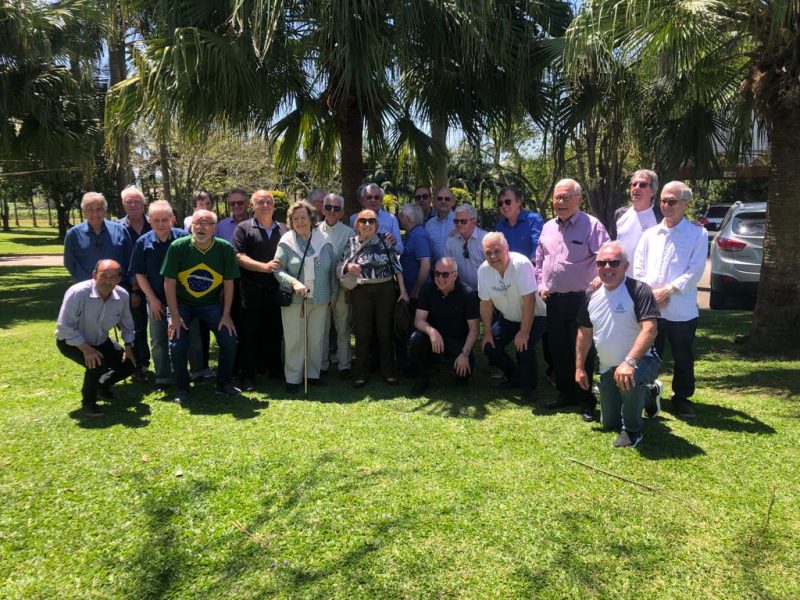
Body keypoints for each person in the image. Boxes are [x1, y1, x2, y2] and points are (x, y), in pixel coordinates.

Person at [535, 178, 610, 421]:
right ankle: (565, 394)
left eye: (566, 197)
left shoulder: (592, 225)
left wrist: (600, 280)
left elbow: (606, 256)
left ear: (578, 199)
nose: (561, 202)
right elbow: (540, 261)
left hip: (581, 299)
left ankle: (586, 400)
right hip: (554, 300)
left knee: (583, 351)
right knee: (558, 349)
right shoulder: (548, 227)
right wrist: (541, 285)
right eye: (557, 197)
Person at [576, 242, 661, 447]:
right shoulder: (590, 295)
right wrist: (579, 368)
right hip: (608, 367)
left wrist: (630, 362)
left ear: (625, 265)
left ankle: (633, 431)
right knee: (609, 423)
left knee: (628, 379)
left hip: (642, 361)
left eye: (614, 262)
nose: (607, 267)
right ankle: (650, 395)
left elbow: (650, 330)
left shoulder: (638, 290)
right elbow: (584, 333)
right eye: (601, 263)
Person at [634, 181, 708, 419]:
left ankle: (682, 398)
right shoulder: (649, 235)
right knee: (649, 355)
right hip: (652, 309)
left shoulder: (697, 234)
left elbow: (695, 270)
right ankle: (649, 395)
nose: (666, 205)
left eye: (672, 201)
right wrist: (651, 295)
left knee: (682, 356)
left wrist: (669, 290)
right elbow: (639, 268)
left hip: (681, 310)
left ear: (686, 203)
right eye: (663, 201)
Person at [161, 209, 241, 402]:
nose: (201, 227)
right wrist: (174, 315)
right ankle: (181, 388)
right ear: (191, 226)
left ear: (214, 228)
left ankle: (223, 384)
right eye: (197, 223)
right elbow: (169, 282)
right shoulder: (178, 247)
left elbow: (229, 283)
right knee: (177, 342)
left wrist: (226, 314)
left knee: (229, 339)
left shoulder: (224, 248)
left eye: (207, 223)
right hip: (182, 304)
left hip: (211, 304)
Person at [130, 201, 204, 392]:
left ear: (172, 219)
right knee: (158, 340)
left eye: (165, 219)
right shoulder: (143, 242)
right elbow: (139, 273)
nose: (161, 224)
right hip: (156, 299)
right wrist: (152, 300)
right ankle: (163, 377)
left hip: (185, 300)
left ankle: (197, 372)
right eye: (156, 220)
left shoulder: (185, 238)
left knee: (192, 336)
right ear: (150, 221)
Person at [56, 259, 137, 416]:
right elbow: (64, 326)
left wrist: (128, 347)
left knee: (129, 364)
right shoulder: (77, 293)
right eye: (103, 275)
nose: (108, 280)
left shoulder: (122, 295)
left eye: (113, 277)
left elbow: (127, 323)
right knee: (96, 363)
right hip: (71, 341)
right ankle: (88, 402)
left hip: (100, 340)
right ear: (94, 275)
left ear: (119, 279)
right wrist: (86, 349)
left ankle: (101, 386)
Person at [340, 209, 409, 388]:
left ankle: (388, 371)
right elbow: (341, 264)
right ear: (357, 224)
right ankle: (361, 373)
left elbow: (397, 267)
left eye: (371, 221)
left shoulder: (385, 241)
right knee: (362, 333)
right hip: (361, 290)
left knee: (385, 332)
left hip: (385, 290)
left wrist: (403, 291)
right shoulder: (351, 243)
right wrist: (349, 266)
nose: (367, 224)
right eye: (363, 220)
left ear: (376, 224)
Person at [274, 201, 337, 393]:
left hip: (320, 299)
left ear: (311, 219)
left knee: (316, 338)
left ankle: (312, 374)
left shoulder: (324, 240)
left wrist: (333, 294)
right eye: (295, 219)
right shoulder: (286, 241)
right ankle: (293, 378)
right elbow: (277, 270)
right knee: (294, 339)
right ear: (291, 222)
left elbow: (332, 269)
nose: (300, 221)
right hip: (295, 300)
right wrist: (293, 283)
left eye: (303, 217)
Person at [479, 232, 547, 404]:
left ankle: (529, 389)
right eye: (488, 253)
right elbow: (485, 304)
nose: (493, 256)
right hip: (509, 317)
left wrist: (524, 331)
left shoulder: (521, 264)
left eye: (497, 251)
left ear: (506, 248)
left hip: (536, 315)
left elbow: (529, 301)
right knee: (490, 346)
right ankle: (515, 376)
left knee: (524, 345)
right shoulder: (483, 271)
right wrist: (487, 332)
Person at [232, 190, 288, 390]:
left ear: (274, 206)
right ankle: (247, 375)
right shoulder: (244, 228)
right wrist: (263, 267)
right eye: (260, 202)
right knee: (249, 334)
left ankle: (274, 370)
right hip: (251, 289)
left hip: (276, 289)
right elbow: (238, 256)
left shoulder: (284, 228)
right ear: (253, 206)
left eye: (268, 202)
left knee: (275, 331)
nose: (265, 205)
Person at [409, 257, 479, 396]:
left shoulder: (467, 293)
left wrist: (464, 354)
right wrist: (432, 331)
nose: (440, 278)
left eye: (445, 274)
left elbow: (474, 329)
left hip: (457, 340)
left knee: (466, 372)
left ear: (455, 275)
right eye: (437, 273)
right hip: (434, 340)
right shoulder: (428, 289)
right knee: (416, 339)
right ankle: (422, 378)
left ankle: (457, 368)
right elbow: (419, 321)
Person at [316, 193, 355, 378]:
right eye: (329, 207)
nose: (332, 211)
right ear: (323, 209)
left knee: (342, 326)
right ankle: (322, 364)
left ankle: (344, 365)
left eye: (336, 208)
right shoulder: (314, 230)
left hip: (342, 286)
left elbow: (352, 257)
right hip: (321, 286)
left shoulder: (348, 232)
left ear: (342, 212)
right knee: (322, 327)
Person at [118, 185, 152, 381]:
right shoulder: (117, 228)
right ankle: (139, 365)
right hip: (132, 287)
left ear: (143, 203)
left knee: (163, 326)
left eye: (136, 201)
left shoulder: (155, 222)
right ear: (123, 205)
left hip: (158, 284)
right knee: (136, 326)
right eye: (128, 202)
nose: (133, 205)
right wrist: (134, 289)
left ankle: (168, 364)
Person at [64, 192, 132, 282]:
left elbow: (130, 261)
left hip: (117, 288)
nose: (95, 213)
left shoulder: (120, 230)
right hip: (87, 290)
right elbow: (69, 263)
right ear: (84, 212)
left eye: (99, 209)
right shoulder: (73, 234)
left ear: (105, 210)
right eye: (90, 209)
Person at [613, 170, 663, 276]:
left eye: (643, 184)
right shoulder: (620, 214)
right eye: (634, 184)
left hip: (648, 280)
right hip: (622, 279)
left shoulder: (661, 216)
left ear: (653, 192)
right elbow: (613, 244)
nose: (637, 187)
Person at [348, 183, 404, 254]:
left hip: (385, 262)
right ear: (362, 200)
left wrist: (393, 244)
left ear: (381, 200)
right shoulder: (354, 218)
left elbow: (400, 249)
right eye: (369, 197)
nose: (373, 200)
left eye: (376, 197)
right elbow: (351, 247)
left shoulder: (391, 219)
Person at [445, 203, 487, 292]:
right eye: (456, 221)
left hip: (485, 292)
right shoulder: (451, 240)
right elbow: (448, 268)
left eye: (463, 221)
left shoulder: (485, 240)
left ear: (473, 221)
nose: (459, 224)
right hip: (462, 293)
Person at [495, 185, 544, 260]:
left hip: (531, 268)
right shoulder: (500, 226)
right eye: (500, 203)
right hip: (509, 270)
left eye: (508, 202)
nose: (504, 206)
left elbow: (537, 247)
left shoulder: (534, 220)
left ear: (518, 201)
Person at [424, 186, 456, 264]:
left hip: (458, 272)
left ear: (453, 202)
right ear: (435, 202)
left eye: (447, 199)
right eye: (440, 198)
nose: (443, 201)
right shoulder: (429, 225)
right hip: (436, 272)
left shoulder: (460, 221)